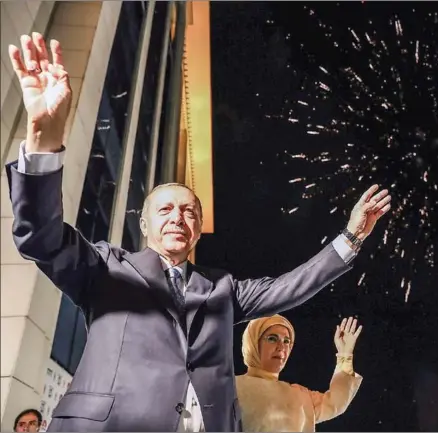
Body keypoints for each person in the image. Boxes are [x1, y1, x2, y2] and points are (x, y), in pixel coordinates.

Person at [5, 32, 391, 432]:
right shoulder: (105, 268)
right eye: (166, 209)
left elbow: (290, 287)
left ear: (197, 230)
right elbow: (42, 238)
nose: (178, 217)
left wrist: (351, 236)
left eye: (190, 211)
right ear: (145, 224)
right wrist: (44, 144)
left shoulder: (222, 289)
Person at [236, 315, 363, 432]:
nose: (281, 347)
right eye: (272, 339)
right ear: (253, 343)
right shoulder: (229, 386)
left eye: (286, 341)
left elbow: (335, 403)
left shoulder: (299, 396)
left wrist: (345, 355)